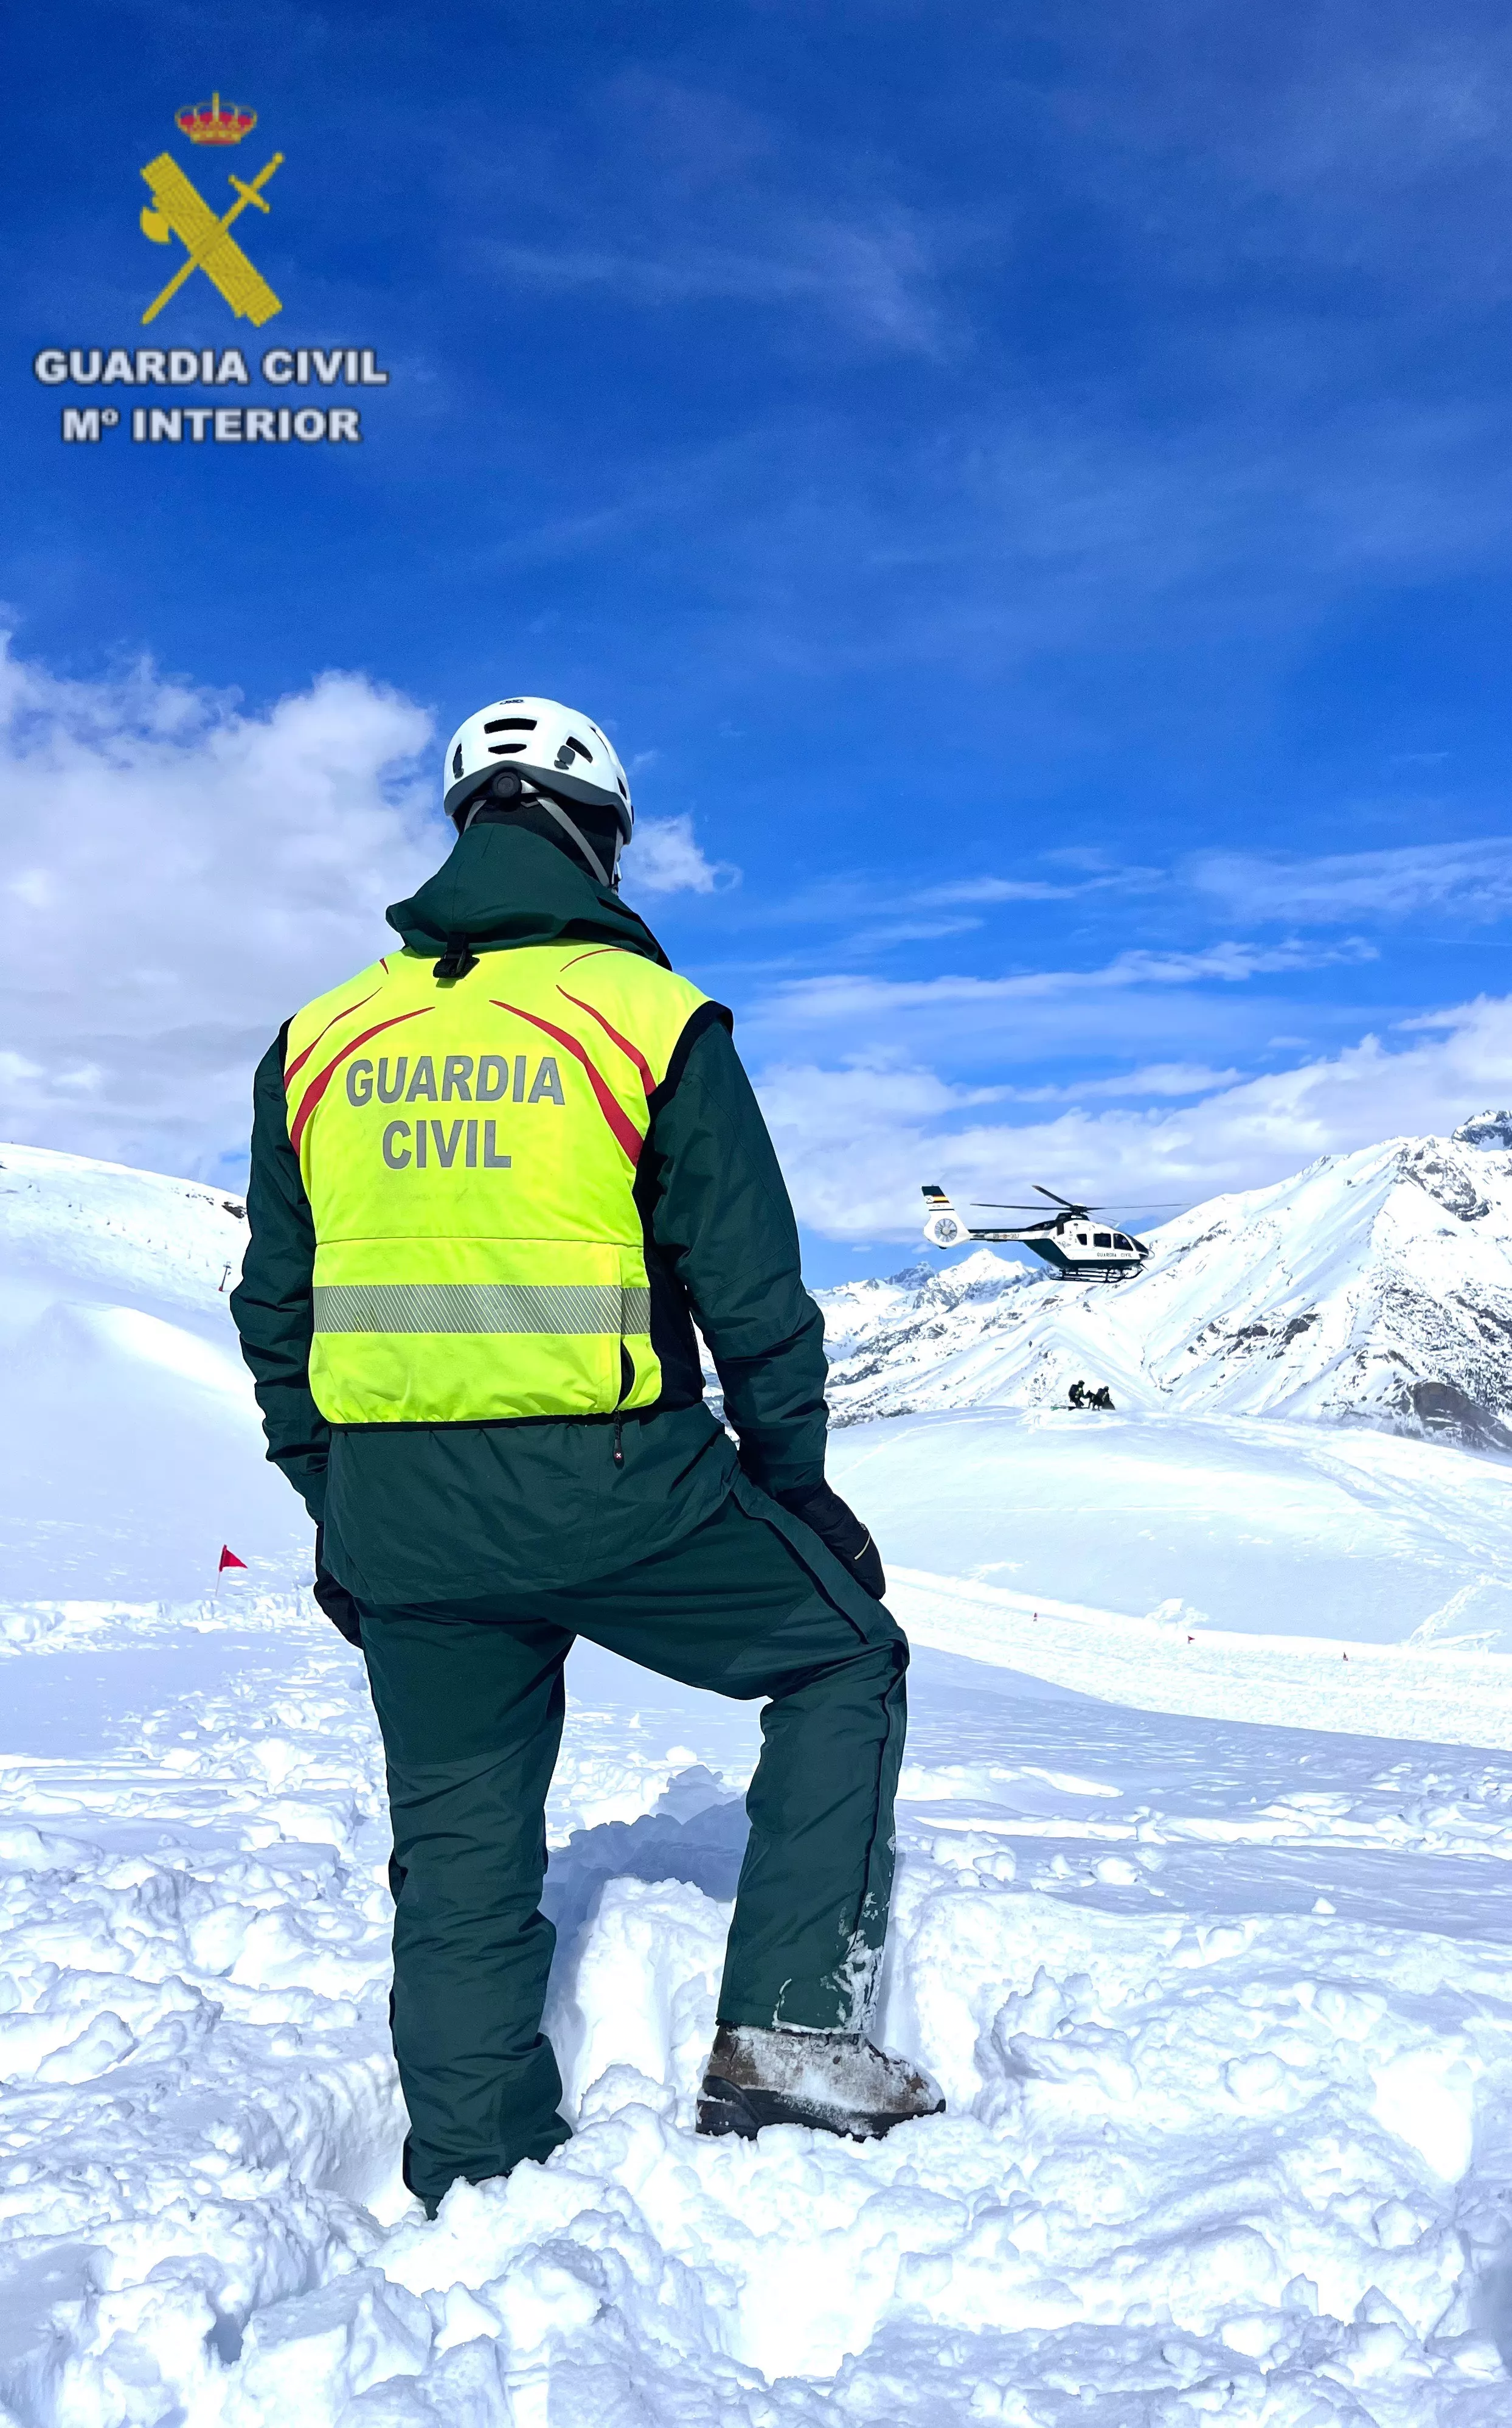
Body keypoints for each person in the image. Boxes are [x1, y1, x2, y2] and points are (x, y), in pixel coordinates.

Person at [231, 694, 940, 2214]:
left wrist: (331, 1497)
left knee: (462, 1833)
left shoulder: (317, 1042)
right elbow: (752, 1289)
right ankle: (792, 2043)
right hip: (621, 1485)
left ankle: (476, 2168)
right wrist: (800, 1487)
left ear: (464, 829)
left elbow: (276, 1311)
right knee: (842, 1663)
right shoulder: (648, 1022)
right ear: (599, 836)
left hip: (399, 1512)